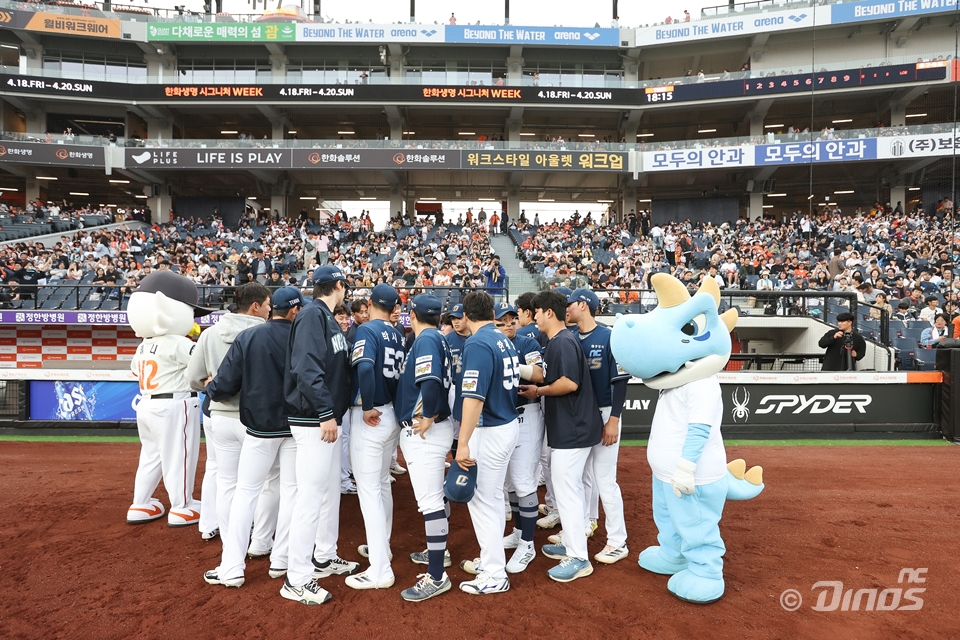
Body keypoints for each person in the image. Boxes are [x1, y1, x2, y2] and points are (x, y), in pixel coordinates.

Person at [202, 286, 303, 588]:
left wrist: (211, 386)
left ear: (274, 309)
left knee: (245, 493)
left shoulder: (249, 336)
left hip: (260, 428)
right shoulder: (304, 338)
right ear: (296, 310)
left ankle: (232, 567)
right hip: (296, 426)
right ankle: (281, 560)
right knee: (291, 492)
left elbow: (223, 385)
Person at [281, 265, 358, 606]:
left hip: (325, 419)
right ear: (338, 285)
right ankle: (296, 578)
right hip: (315, 420)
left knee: (327, 494)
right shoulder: (314, 315)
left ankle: (324, 556)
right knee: (310, 498)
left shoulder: (322, 315)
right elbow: (306, 368)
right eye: (345, 285)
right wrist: (325, 412)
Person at [518, 290, 601, 583]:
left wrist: (538, 391)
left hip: (573, 428)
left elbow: (568, 383)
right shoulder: (561, 341)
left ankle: (578, 557)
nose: (534, 316)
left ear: (548, 313)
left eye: (537, 311)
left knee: (568, 491)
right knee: (571, 489)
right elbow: (548, 376)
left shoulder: (563, 341)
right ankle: (573, 543)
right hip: (571, 427)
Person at [187, 282, 272, 545]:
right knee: (264, 483)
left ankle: (230, 540)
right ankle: (260, 539)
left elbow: (192, 379)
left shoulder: (211, 333)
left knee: (226, 482)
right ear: (256, 306)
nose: (270, 310)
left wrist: (212, 384)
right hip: (257, 418)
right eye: (268, 305)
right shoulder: (266, 332)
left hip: (219, 416)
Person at [454, 292, 521, 594]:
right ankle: (491, 561)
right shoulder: (502, 338)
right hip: (507, 424)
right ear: (492, 313)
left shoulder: (478, 342)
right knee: (491, 498)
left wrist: (463, 442)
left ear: (466, 315)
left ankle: (494, 573)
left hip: (491, 429)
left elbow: (473, 397)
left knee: (482, 500)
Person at [395, 294, 456, 601]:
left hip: (425, 431)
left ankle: (436, 576)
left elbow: (430, 381)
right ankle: (439, 555)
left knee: (430, 502)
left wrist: (429, 415)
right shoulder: (438, 336)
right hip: (433, 428)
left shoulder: (428, 338)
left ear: (413, 314)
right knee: (435, 498)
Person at [564, 288, 630, 564]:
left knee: (604, 479)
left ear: (583, 305)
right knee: (577, 479)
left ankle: (618, 541)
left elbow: (622, 380)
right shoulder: (570, 338)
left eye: (570, 304)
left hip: (604, 412)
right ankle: (579, 530)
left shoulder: (608, 335)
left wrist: (614, 418)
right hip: (581, 414)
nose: (566, 309)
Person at [347, 284, 406, 590]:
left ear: (370, 304)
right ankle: (381, 548)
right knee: (382, 485)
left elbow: (366, 368)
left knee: (369, 490)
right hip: (392, 415)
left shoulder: (366, 329)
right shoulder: (397, 332)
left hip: (371, 415)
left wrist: (368, 405)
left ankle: (380, 569)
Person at [491, 302, 544, 574]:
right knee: (510, 482)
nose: (509, 324)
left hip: (527, 415)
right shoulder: (490, 344)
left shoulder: (526, 342)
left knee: (524, 482)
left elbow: (539, 374)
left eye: (512, 319)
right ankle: (518, 531)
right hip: (504, 417)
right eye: (502, 321)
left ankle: (527, 543)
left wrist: (512, 365)